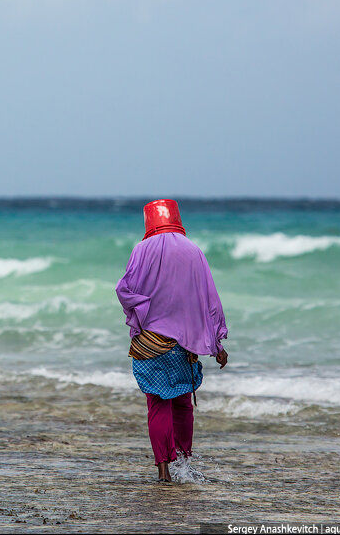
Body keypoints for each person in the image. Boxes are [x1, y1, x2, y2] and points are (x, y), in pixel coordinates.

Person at [116, 200, 228, 482]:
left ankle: (163, 470)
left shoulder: (141, 250)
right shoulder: (194, 251)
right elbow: (209, 299)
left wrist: (143, 311)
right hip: (185, 344)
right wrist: (217, 343)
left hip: (151, 342)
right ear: (177, 219)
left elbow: (125, 289)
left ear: (148, 221)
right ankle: (184, 466)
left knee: (157, 404)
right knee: (182, 403)